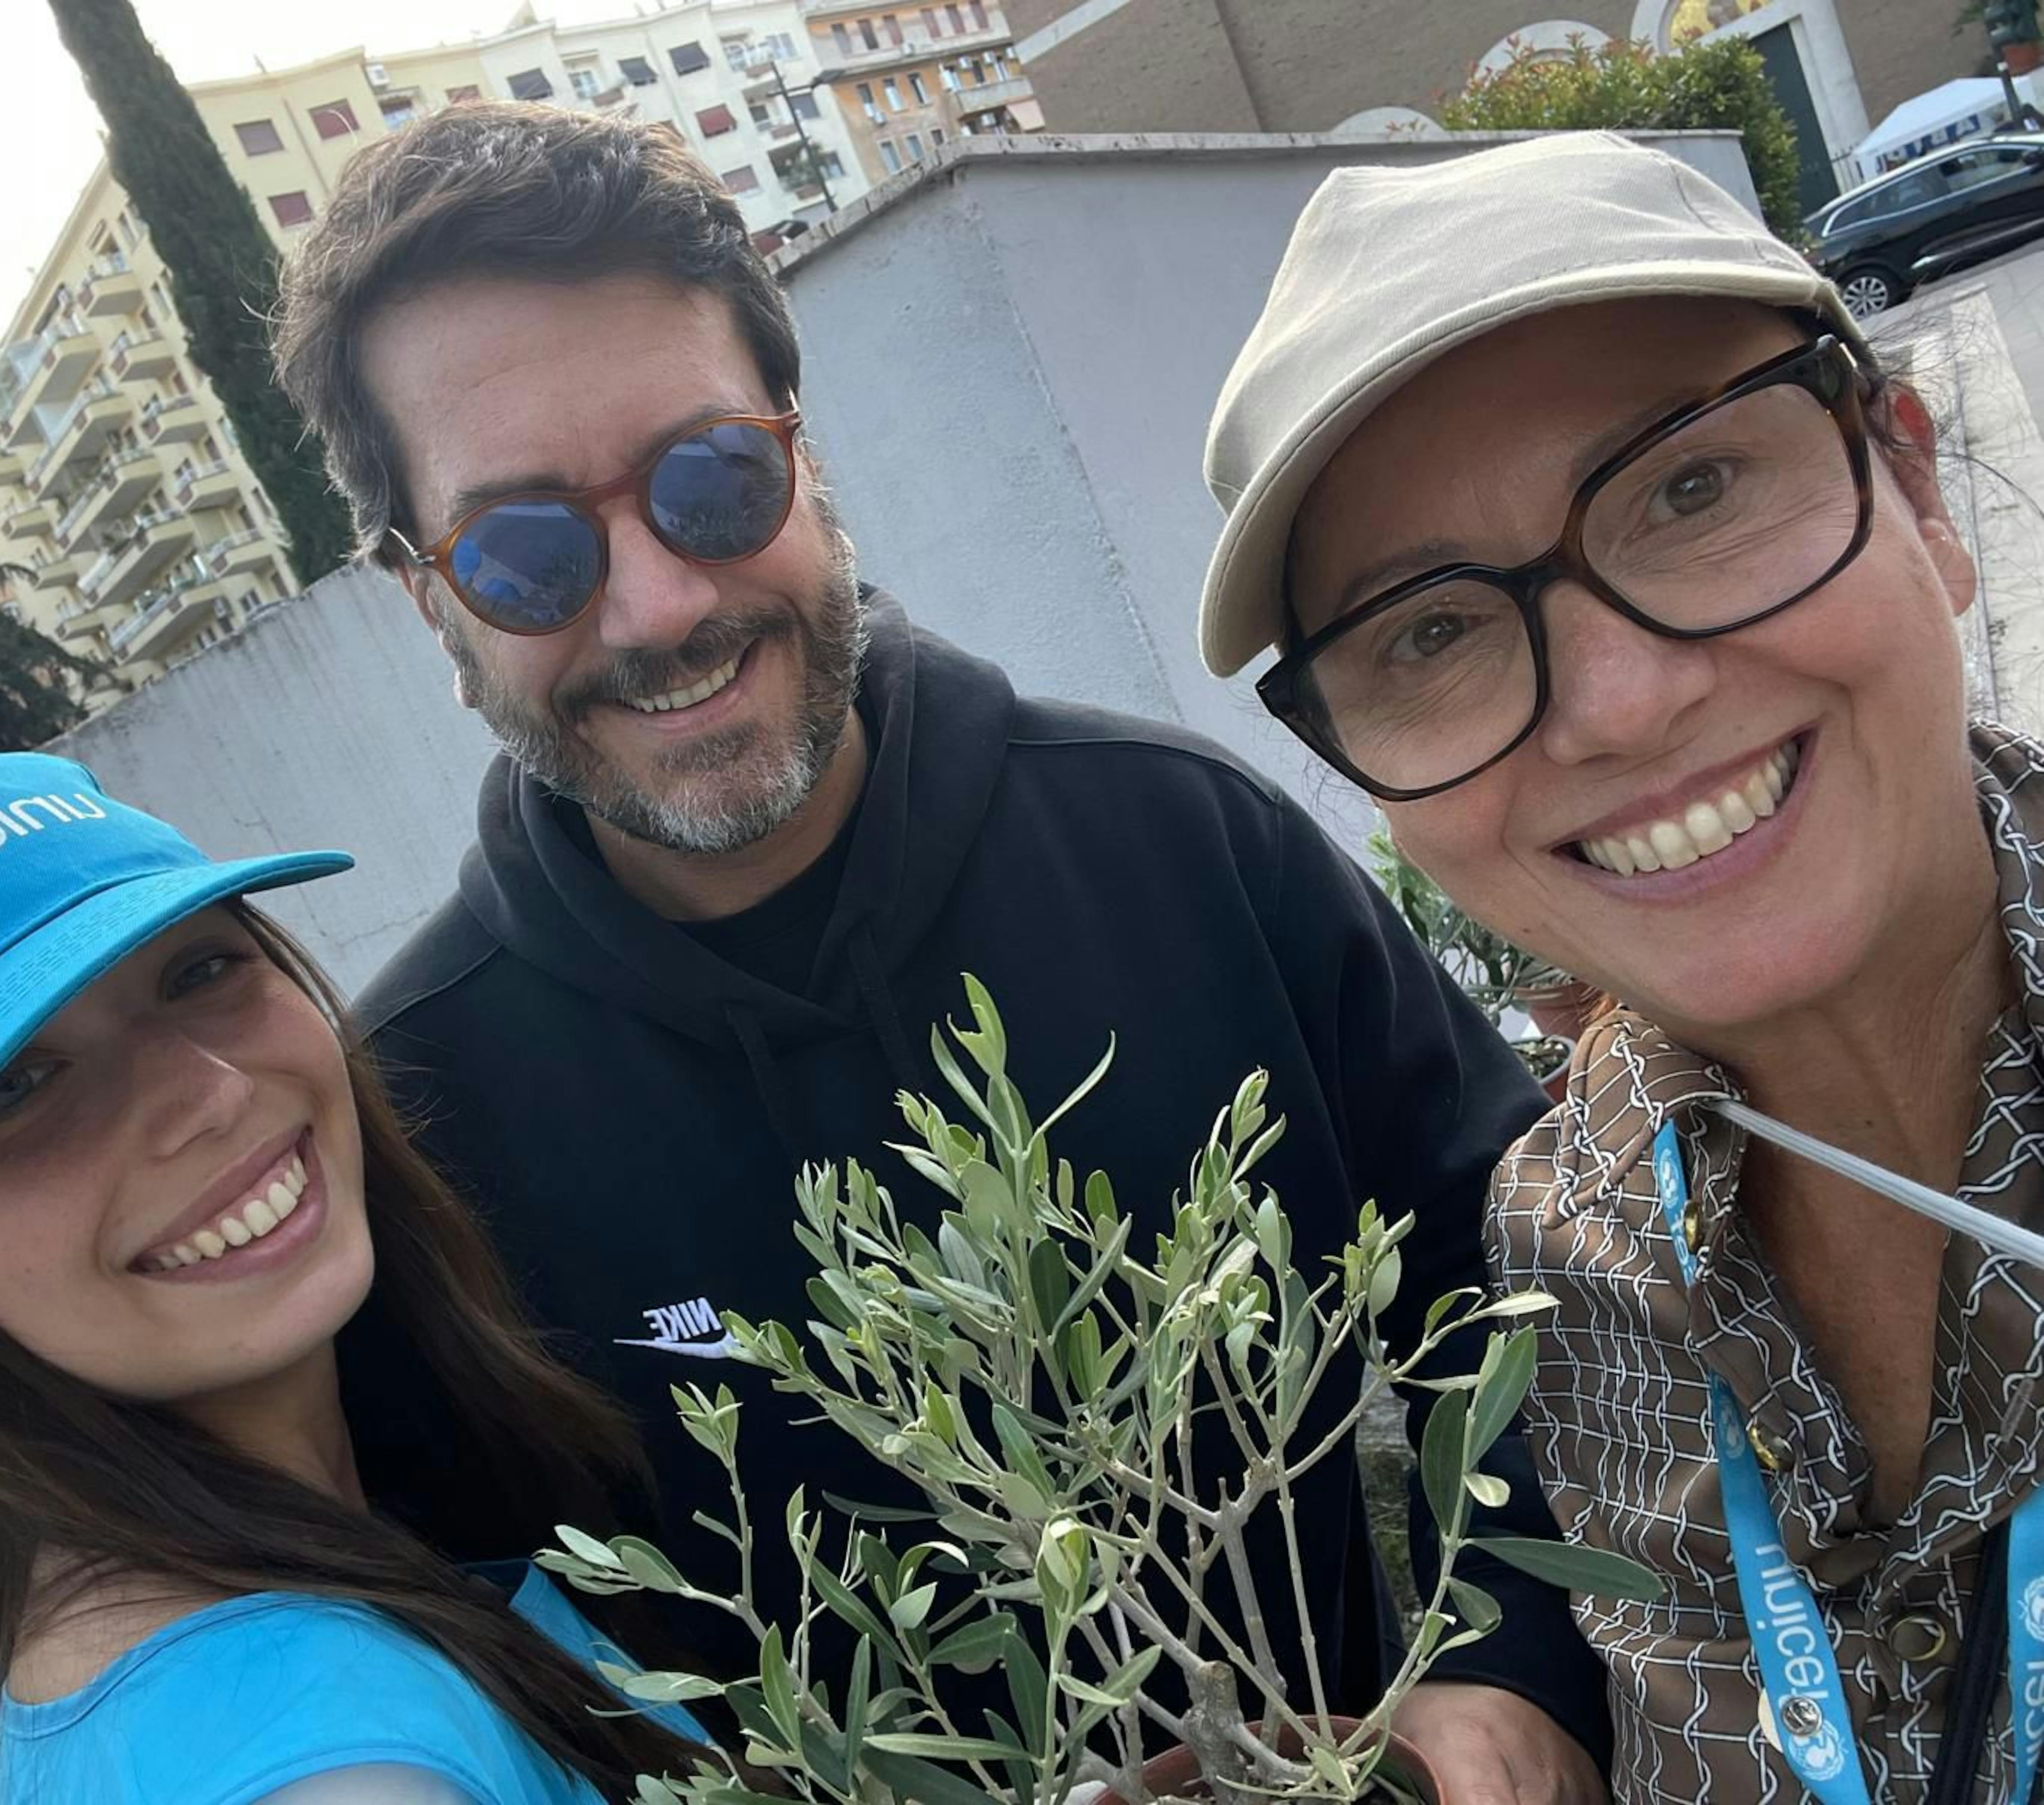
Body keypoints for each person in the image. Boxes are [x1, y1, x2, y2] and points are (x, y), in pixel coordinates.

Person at [272, 101, 1613, 1800]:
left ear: (805, 456)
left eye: (710, 479)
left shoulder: (1188, 847)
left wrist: (1511, 1676)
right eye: (525, 551)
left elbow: (1536, 1287)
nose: (660, 606)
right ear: (430, 599)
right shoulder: (414, 1122)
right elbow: (461, 1652)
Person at [1199, 130, 2044, 1802]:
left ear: (1918, 488)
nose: (1618, 704)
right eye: (1430, 631)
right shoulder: (1566, 1245)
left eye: (1690, 488)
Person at [0, 749, 702, 1805]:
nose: (208, 1095)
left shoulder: (347, 1529)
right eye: (13, 1088)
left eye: (199, 971)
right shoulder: (323, 1759)